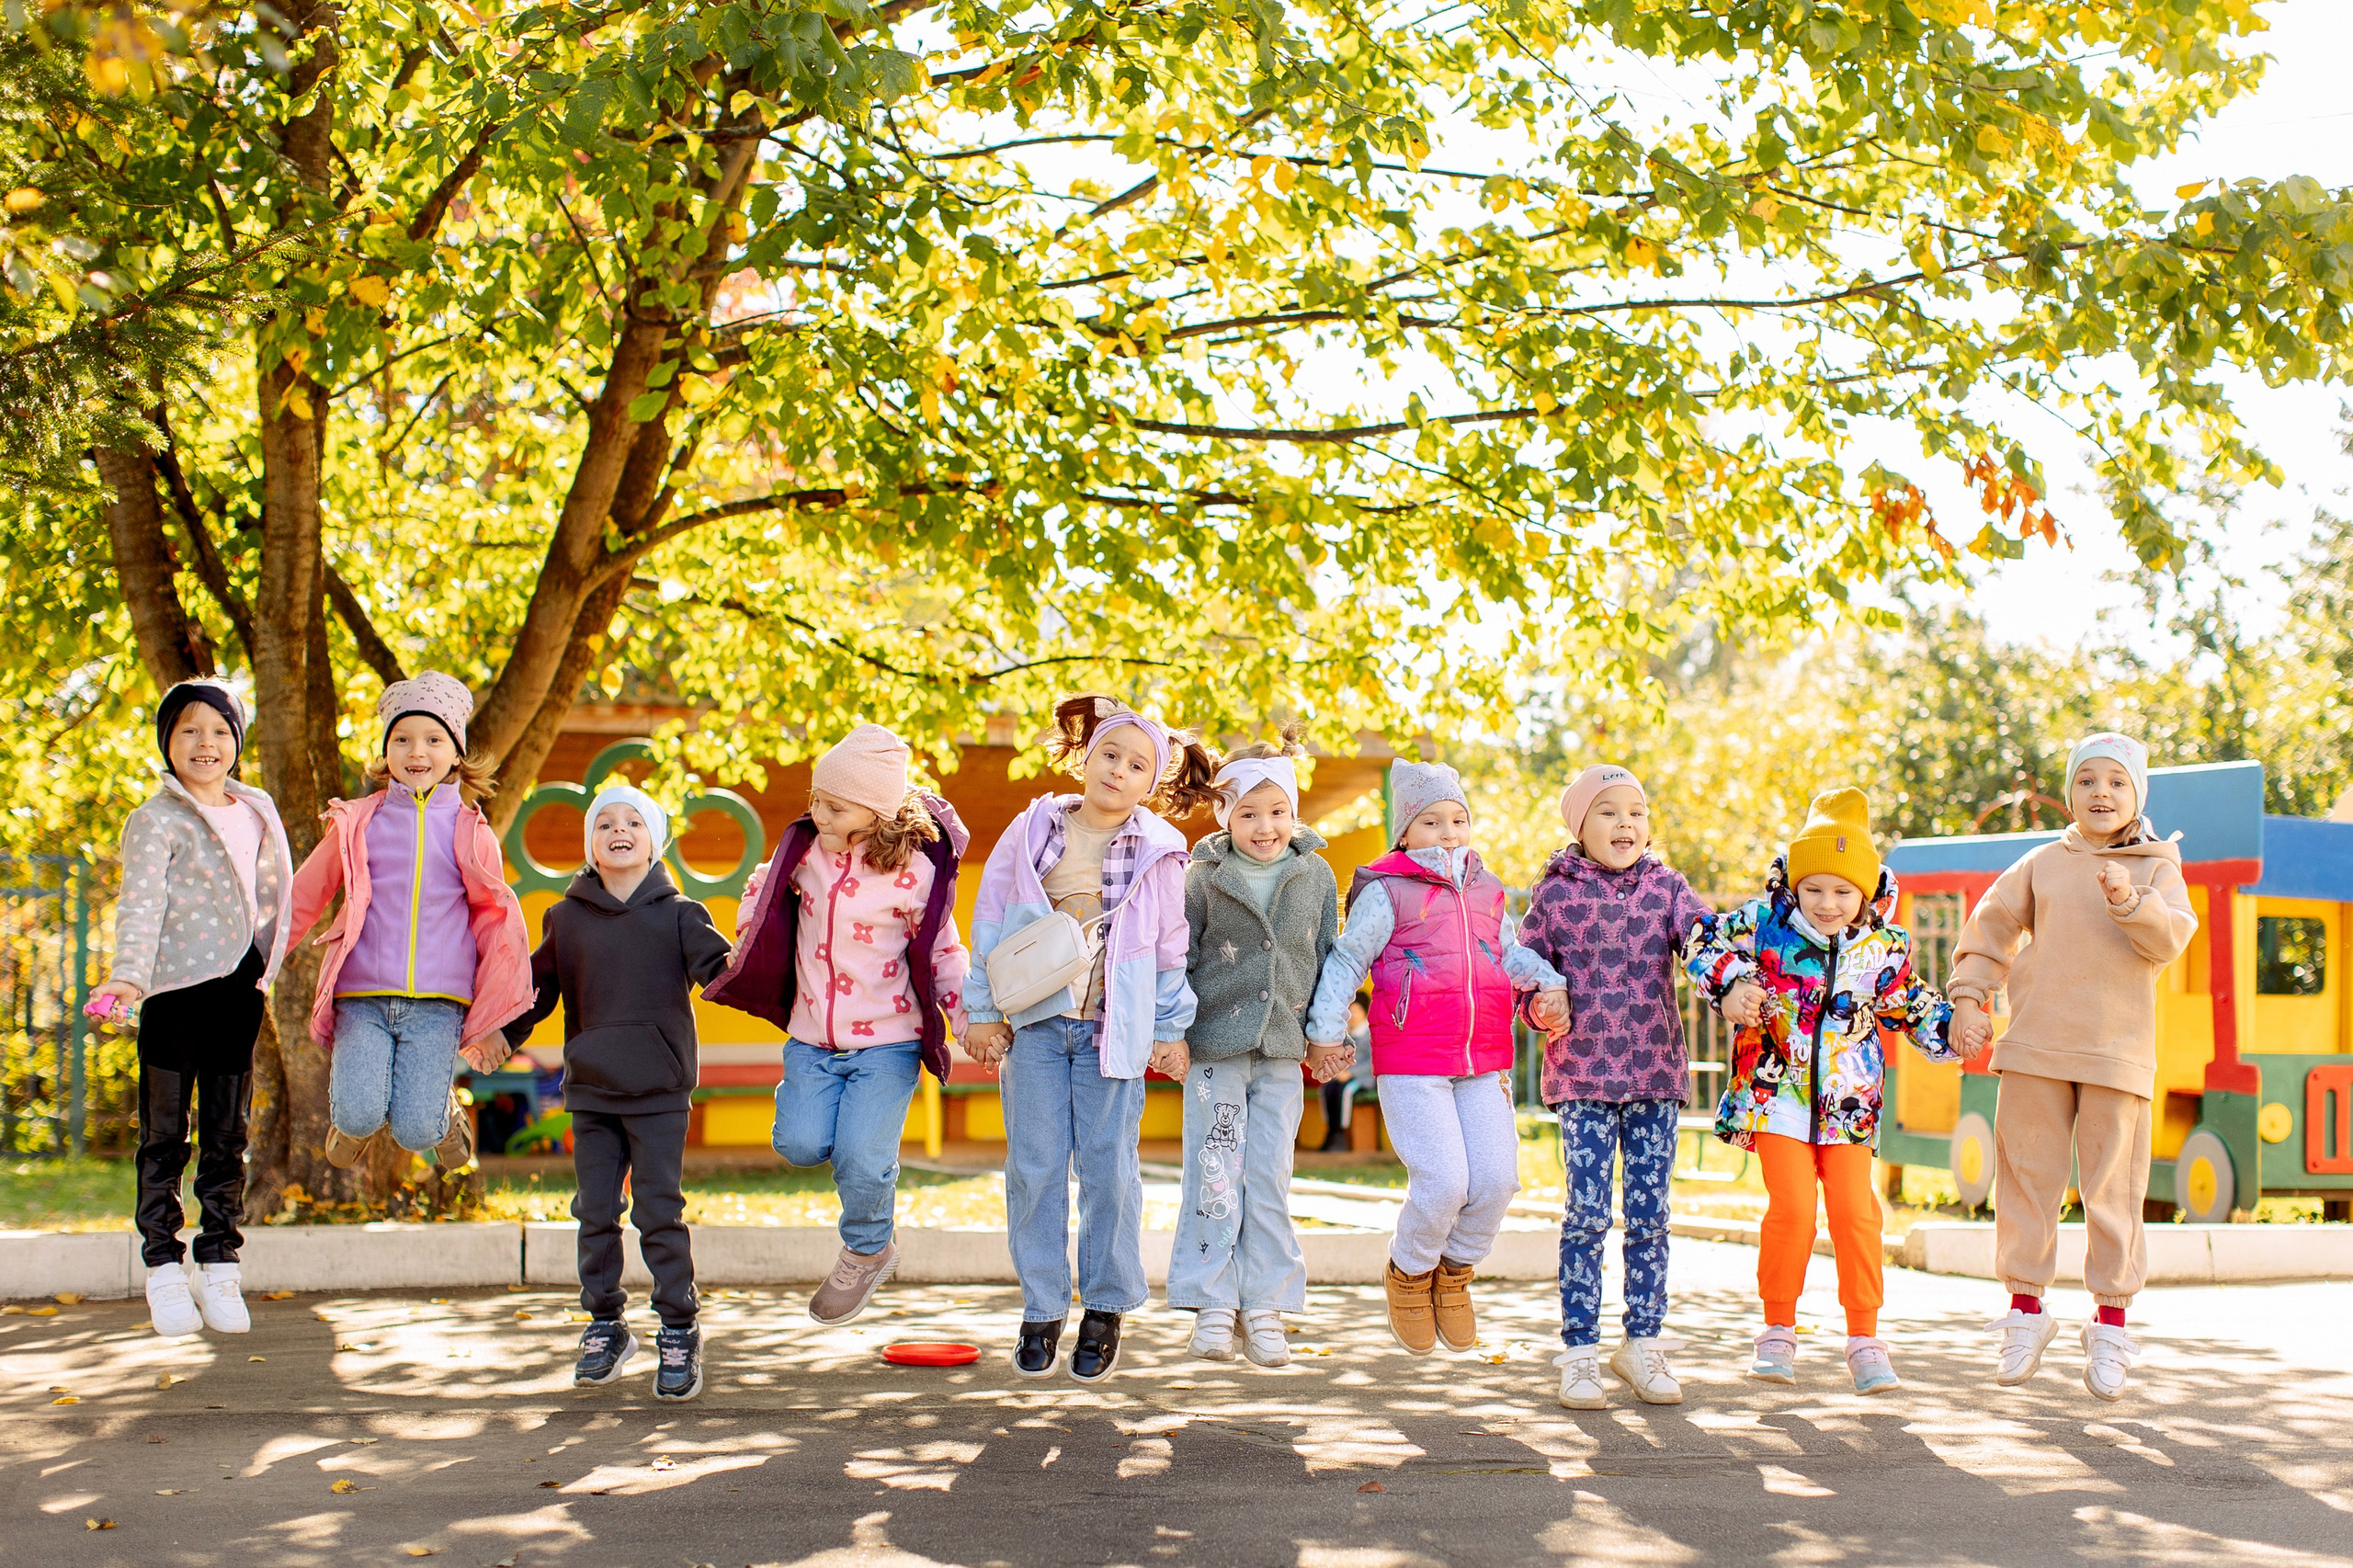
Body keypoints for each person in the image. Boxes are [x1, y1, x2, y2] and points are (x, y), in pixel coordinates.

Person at [961, 695, 1218, 1383]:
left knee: (1110, 1174)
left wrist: (1168, 1029)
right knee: (1036, 1170)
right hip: (1040, 1028)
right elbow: (991, 920)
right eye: (1110, 754)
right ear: (1087, 756)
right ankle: (1042, 1305)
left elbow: (1170, 948)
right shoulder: (1033, 829)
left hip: (1116, 1033)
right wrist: (981, 1012)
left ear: (1151, 783)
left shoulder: (1163, 851)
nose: (1118, 771)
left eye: (1137, 765)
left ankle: (1105, 1305)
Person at [1948, 732, 2197, 1401]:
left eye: (2116, 782)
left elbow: (2171, 938)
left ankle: (2110, 1325)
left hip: (2117, 1056)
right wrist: (1970, 997)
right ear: (2070, 794)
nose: (2101, 794)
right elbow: (1991, 926)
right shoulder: (2042, 862)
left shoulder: (2157, 866)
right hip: (2035, 1046)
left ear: (2137, 794)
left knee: (2114, 1194)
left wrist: (2128, 899)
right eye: (2087, 781)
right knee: (2026, 1179)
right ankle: (2026, 1313)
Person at [1688, 789, 1957, 1395]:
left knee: (1856, 1213)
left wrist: (1953, 1030)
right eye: (1814, 889)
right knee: (1793, 1210)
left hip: (1849, 1104)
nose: (1828, 903)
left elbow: (1912, 1005)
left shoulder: (1883, 948)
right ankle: (1778, 1329)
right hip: (1774, 1094)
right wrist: (1730, 987)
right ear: (1795, 886)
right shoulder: (1763, 926)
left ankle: (1865, 1338)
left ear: (1864, 891)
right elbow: (1700, 943)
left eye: (1843, 891)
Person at [704, 724, 971, 1326]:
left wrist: (967, 1017)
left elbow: (943, 952)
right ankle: (819, 1119)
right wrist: (748, 928)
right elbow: (763, 890)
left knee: (861, 1156)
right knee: (799, 1144)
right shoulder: (805, 855)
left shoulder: (915, 875)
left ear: (875, 811)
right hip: (811, 1038)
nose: (816, 812)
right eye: (815, 799)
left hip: (888, 1040)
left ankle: (868, 1247)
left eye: (834, 804)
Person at [1304, 760, 1569, 1357]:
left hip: (1481, 1060)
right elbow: (1347, 962)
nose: (1448, 832)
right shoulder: (1388, 890)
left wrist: (1549, 983)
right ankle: (1409, 1271)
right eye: (1431, 821)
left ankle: (1454, 1274)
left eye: (1458, 819)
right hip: (1413, 1059)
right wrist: (1325, 1032)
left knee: (1498, 1179)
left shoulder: (1486, 887)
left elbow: (1509, 954)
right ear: (1404, 833)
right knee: (1445, 1181)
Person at [503, 783, 733, 1401]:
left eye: (634, 820)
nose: (619, 829)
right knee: (595, 1212)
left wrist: (779, 979)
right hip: (593, 1089)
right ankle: (606, 1323)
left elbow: (727, 974)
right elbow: (533, 994)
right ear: (591, 845)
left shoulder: (683, 915)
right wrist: (496, 1039)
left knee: (658, 1211)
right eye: (604, 823)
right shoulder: (566, 917)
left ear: (653, 840)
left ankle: (679, 1327)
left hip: (659, 1089)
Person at [95, 681, 293, 1339]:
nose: (204, 743)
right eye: (188, 730)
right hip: (174, 992)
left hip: (240, 989)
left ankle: (219, 1260)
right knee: (164, 1135)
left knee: (228, 1136)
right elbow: (141, 904)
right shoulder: (156, 819)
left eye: (217, 730)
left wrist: (271, 965)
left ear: (236, 740)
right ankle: (161, 1265)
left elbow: (276, 897)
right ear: (167, 743)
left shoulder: (258, 809)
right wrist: (128, 979)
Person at [1516, 764, 1717, 1407]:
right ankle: (1579, 1351)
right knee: (1587, 1214)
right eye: (1608, 811)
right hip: (1581, 1077)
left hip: (1655, 1073)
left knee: (1650, 1217)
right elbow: (1524, 972)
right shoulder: (1555, 895)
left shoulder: (1668, 888)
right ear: (1580, 825)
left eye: (1636, 811)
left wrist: (1730, 980)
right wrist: (1538, 1007)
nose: (1625, 823)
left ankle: (1643, 1344)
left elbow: (1704, 943)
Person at [285, 673, 532, 1167]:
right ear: (386, 751)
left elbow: (492, 924)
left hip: (439, 1005)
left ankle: (441, 1113)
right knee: (357, 1115)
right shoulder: (359, 822)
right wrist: (259, 953)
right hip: (363, 995)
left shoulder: (470, 830)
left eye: (433, 739)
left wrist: (493, 1014)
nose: (417, 751)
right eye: (403, 739)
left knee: (417, 1131)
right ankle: (358, 1119)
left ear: (455, 753)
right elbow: (305, 895)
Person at [1167, 733, 1343, 1367]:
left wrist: (1330, 1039)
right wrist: (1171, 1034)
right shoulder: (1203, 877)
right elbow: (1179, 959)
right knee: (1215, 1174)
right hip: (1216, 1047)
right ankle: (1213, 1303)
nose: (1264, 826)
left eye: (1276, 811)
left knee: (1269, 1176)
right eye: (1247, 813)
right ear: (1225, 816)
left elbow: (1330, 959)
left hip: (1284, 1050)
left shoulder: (1316, 873)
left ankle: (1264, 1305)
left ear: (1293, 812)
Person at [1316, 997, 1373, 1152]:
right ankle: (1331, 1131)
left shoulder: (1370, 1033)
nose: (1352, 1015)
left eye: (1356, 1012)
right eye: (1349, 1012)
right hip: (1344, 1076)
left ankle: (1341, 1134)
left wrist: (1350, 1073)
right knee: (1327, 1088)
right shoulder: (1346, 1034)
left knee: (1345, 1092)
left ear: (1364, 1013)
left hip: (1363, 1078)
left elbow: (1372, 1062)